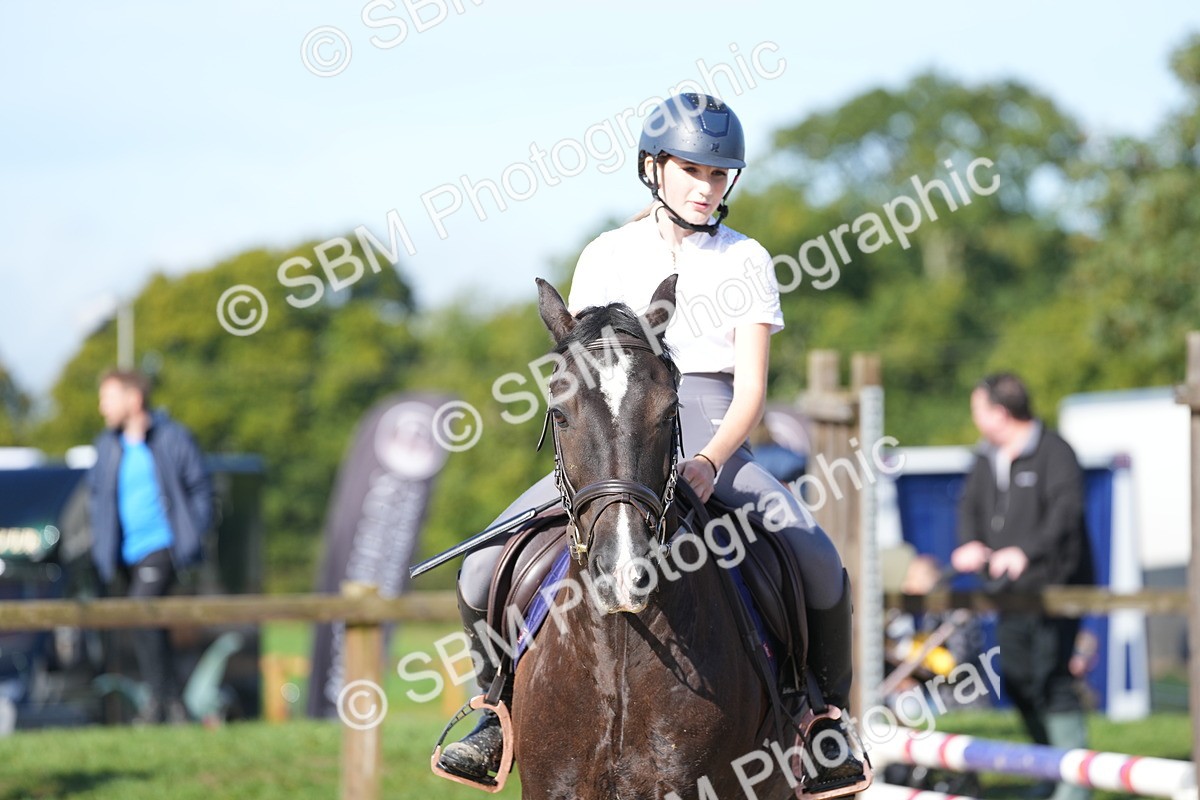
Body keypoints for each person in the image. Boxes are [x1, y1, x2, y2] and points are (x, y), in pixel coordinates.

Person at [438, 93, 868, 796]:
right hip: (614, 444)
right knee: (481, 565)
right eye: (693, 171)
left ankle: (824, 722)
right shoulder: (606, 254)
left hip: (712, 430)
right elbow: (582, 369)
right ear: (654, 168)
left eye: (720, 175)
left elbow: (753, 387)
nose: (707, 187)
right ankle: (492, 714)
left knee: (818, 559)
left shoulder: (746, 258)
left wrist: (708, 461)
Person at [951, 373, 1093, 800]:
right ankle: (1051, 770)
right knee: (1016, 680)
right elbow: (970, 506)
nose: (974, 417)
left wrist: (1024, 551)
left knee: (1052, 679)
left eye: (978, 407)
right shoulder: (985, 457)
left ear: (1000, 411)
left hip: (1055, 589)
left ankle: (1075, 784)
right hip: (1009, 594)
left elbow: (1065, 516)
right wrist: (970, 543)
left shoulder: (1055, 452)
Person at [89, 369, 212, 723]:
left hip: (162, 545)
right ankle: (167, 701)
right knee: (143, 622)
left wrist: (190, 536)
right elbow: (96, 499)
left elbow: (201, 489)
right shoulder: (107, 445)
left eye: (107, 398)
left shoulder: (172, 438)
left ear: (134, 398)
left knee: (142, 612)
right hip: (124, 553)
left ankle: (164, 703)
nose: (102, 407)